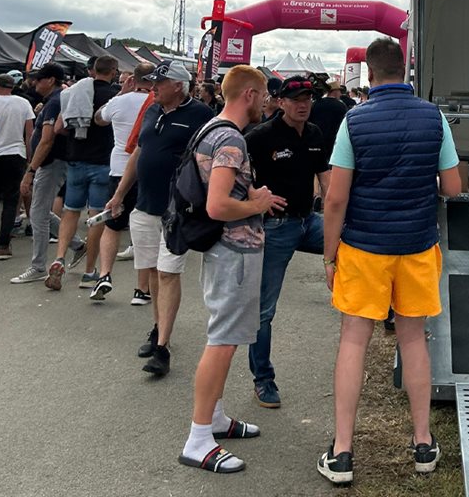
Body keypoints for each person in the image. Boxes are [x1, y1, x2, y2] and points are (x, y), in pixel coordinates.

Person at [317, 38, 461, 484]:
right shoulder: (434, 118)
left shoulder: (354, 121)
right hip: (416, 246)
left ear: (370, 73)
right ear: (404, 69)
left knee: (353, 341)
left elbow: (335, 198)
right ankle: (423, 444)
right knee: (413, 340)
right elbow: (453, 187)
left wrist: (329, 254)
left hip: (364, 249)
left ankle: (342, 452)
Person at [177, 64, 284, 474]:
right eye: (265, 96)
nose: (267, 103)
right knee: (222, 340)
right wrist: (256, 204)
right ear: (250, 95)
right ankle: (199, 438)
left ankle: (215, 417)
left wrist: (250, 192)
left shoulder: (211, 129)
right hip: (233, 252)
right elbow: (217, 205)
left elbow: (219, 187)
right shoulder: (232, 139)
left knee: (226, 337)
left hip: (224, 251)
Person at [106, 61, 214, 375]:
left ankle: (163, 347)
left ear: (178, 86)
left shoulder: (201, 115)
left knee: (168, 273)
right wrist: (119, 194)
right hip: (144, 204)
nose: (152, 87)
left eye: (158, 83)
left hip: (176, 210)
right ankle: (157, 329)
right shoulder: (152, 110)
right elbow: (139, 152)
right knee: (153, 271)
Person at [244, 74, 330, 408]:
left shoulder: (315, 133)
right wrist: (254, 196)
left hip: (309, 221)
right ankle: (263, 379)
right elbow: (234, 173)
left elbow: (326, 178)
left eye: (308, 99)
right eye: (296, 100)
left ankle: (386, 312)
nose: (303, 105)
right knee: (264, 310)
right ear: (281, 102)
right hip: (276, 227)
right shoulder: (261, 135)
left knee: (356, 242)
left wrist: (335, 212)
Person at [44, 56, 120, 290]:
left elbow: (58, 127)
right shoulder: (115, 96)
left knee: (70, 211)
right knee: (96, 216)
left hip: (76, 159)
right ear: (114, 71)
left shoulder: (75, 92)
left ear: (93, 70)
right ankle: (89, 272)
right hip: (103, 161)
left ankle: (59, 258)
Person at [10, 63, 87, 284]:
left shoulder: (55, 101)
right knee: (40, 211)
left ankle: (38, 266)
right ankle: (77, 245)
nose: (35, 83)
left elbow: (46, 140)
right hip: (53, 162)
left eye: (39, 78)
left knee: (38, 214)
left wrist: (30, 170)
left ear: (51, 80)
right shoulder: (56, 100)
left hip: (51, 162)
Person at [89, 62, 154, 303]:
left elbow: (98, 118)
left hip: (118, 169)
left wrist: (119, 94)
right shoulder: (159, 104)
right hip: (146, 170)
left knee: (113, 225)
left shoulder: (119, 102)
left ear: (132, 79)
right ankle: (141, 289)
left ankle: (104, 274)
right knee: (145, 229)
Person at [0, 73, 35, 260]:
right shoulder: (23, 103)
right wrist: (29, 156)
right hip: (16, 153)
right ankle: (4, 244)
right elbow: (29, 133)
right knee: (12, 200)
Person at [308, 77, 348, 161]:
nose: (340, 94)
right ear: (335, 91)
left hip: (317, 140)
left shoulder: (316, 104)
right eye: (339, 91)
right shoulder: (341, 106)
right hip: (334, 142)